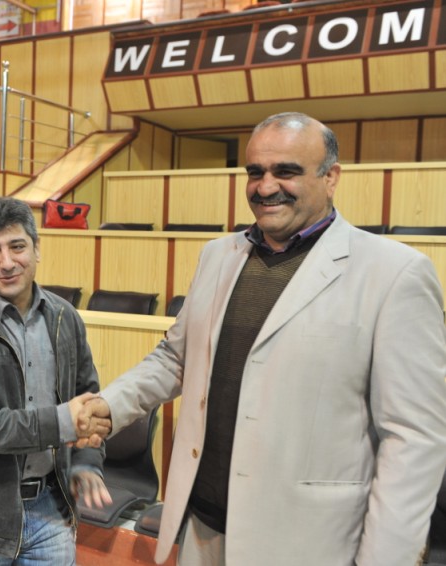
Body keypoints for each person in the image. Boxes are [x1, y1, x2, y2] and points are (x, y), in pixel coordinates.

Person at [76, 112, 446, 566]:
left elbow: (412, 438)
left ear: (330, 177)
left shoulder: (395, 273)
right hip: (203, 528)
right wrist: (110, 406)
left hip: (310, 545)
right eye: (255, 172)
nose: (266, 187)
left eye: (286, 171)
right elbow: (176, 358)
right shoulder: (218, 255)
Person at [0, 196, 112, 565]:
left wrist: (87, 460)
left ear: (37, 248)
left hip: (51, 509)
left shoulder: (65, 318)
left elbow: (88, 400)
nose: (7, 262)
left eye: (17, 246)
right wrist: (62, 422)